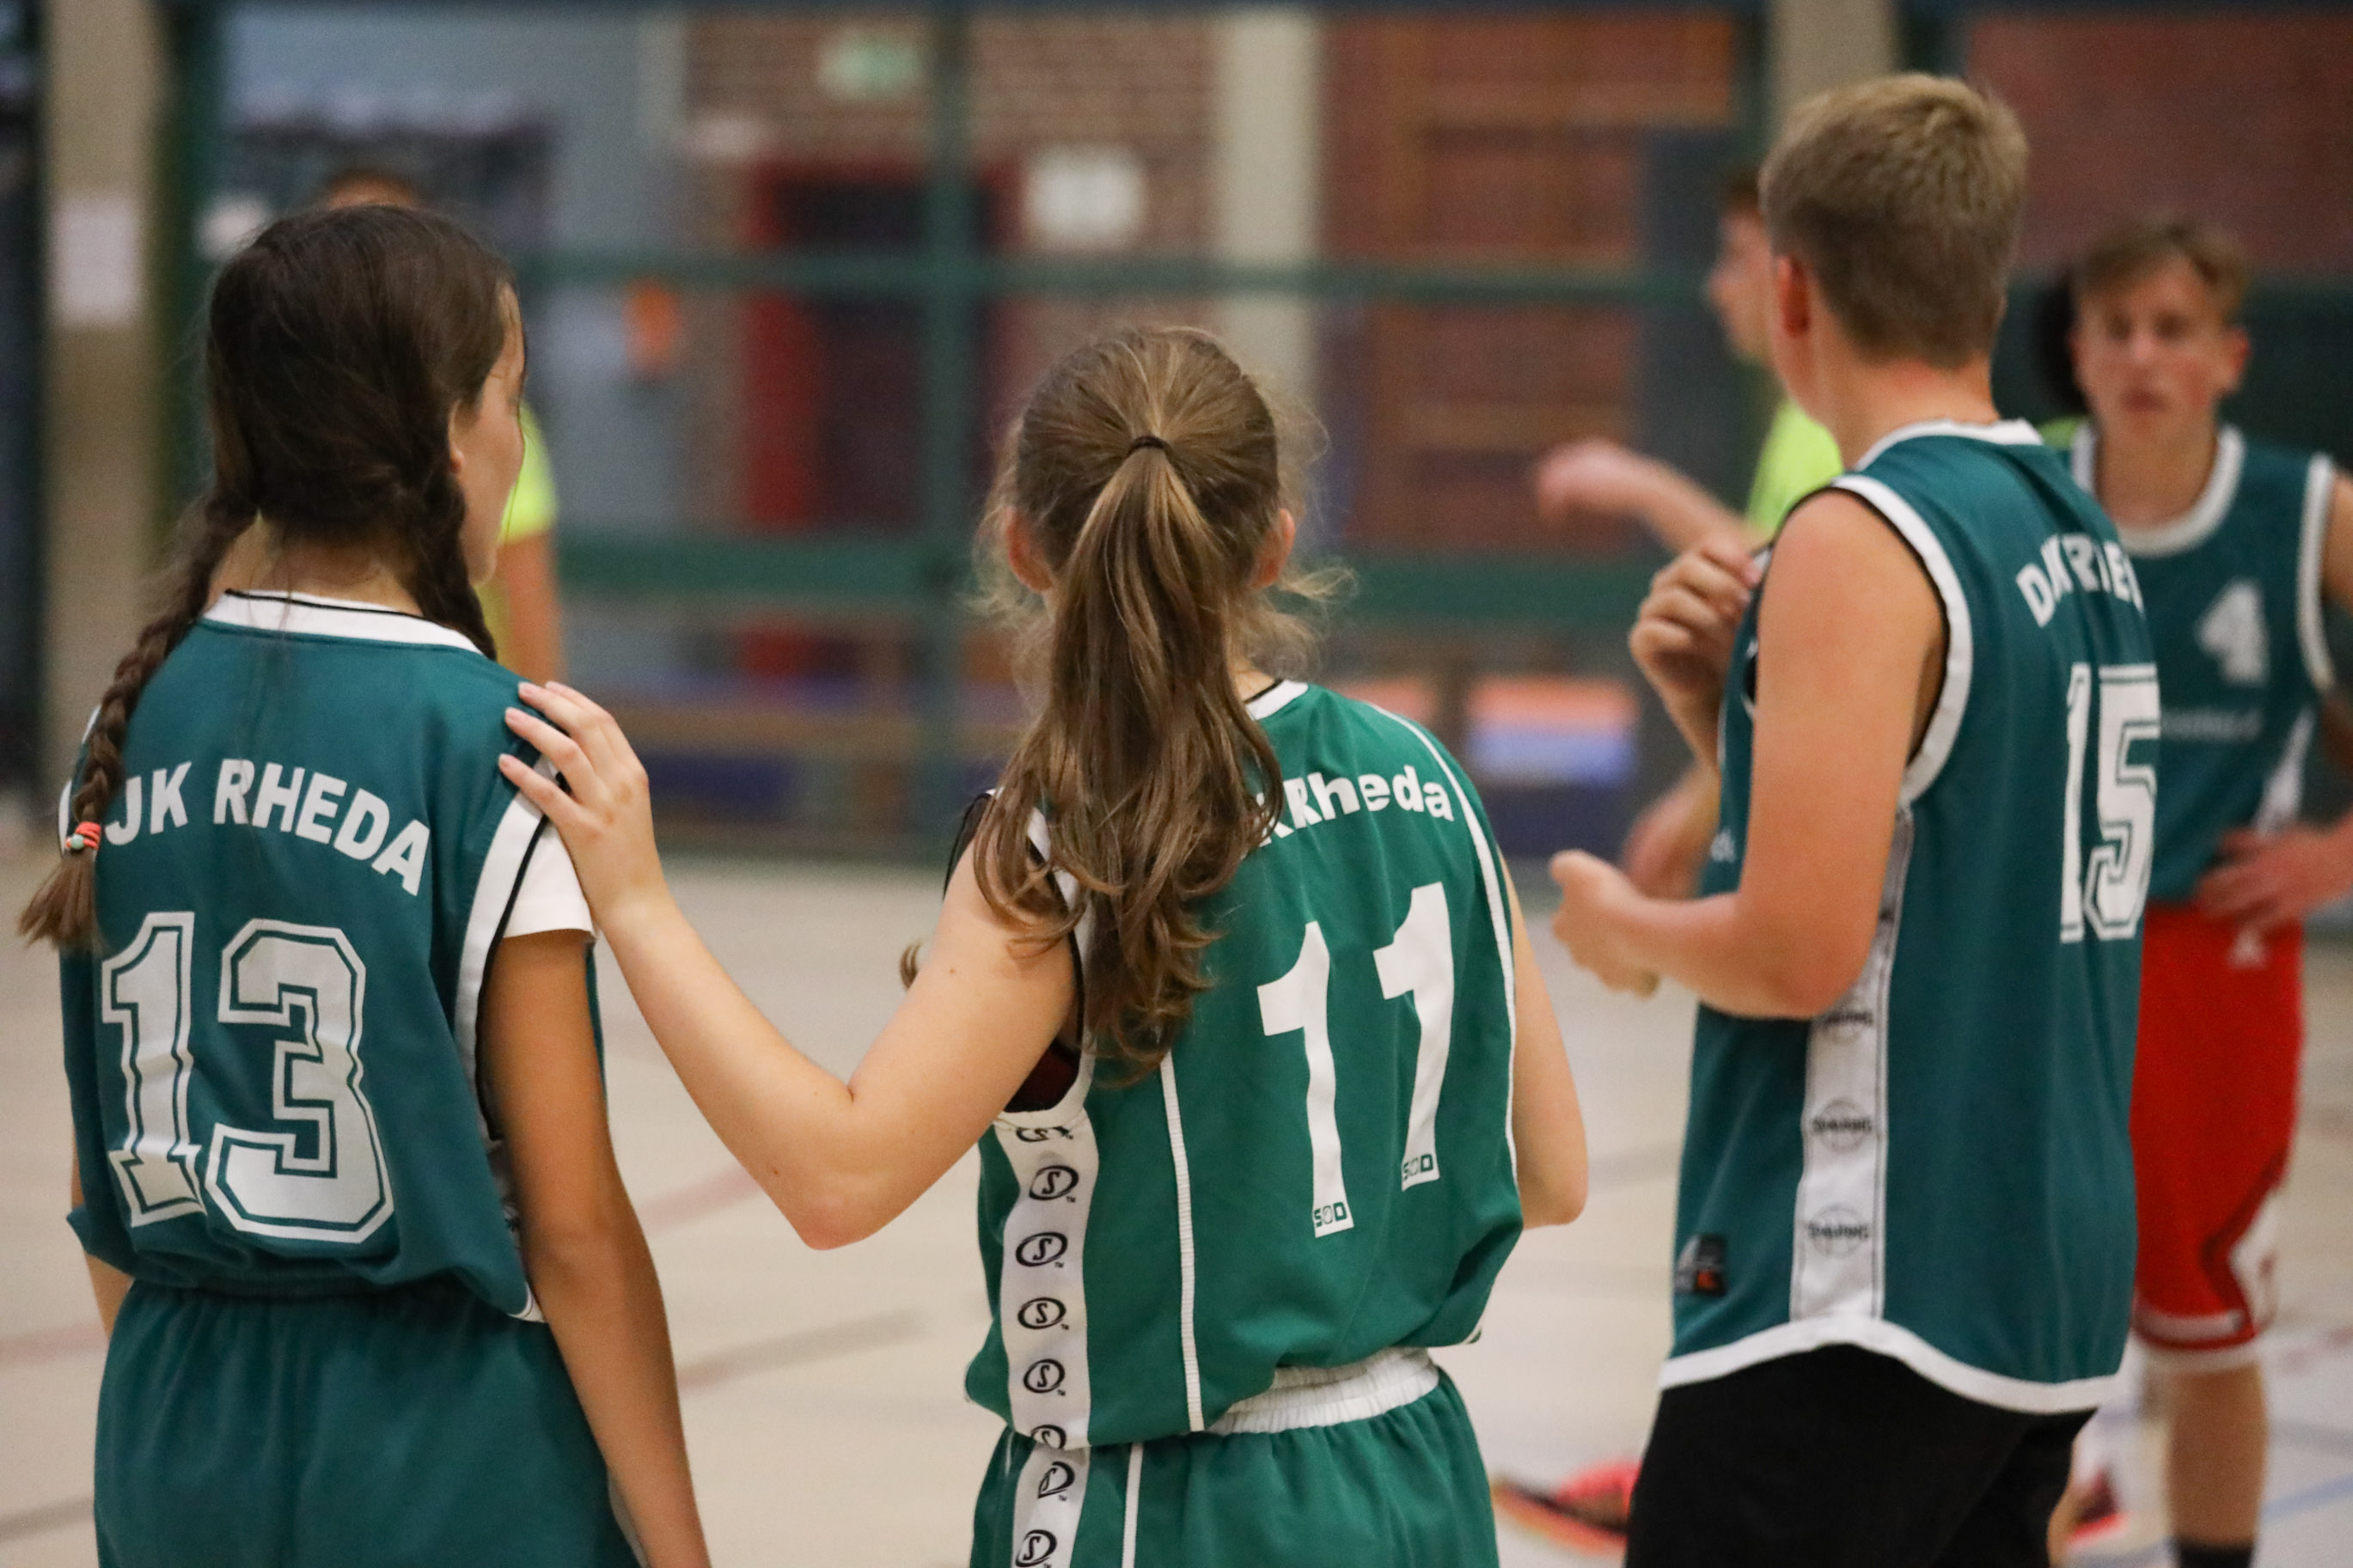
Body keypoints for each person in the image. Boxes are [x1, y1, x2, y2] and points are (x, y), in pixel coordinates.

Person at [499, 326, 1592, 1568]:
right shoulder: (1425, 775)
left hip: (1167, 1509)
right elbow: (1550, 1175)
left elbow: (837, 1180)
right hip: (1416, 1481)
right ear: (1275, 544)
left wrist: (637, 902)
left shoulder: (1075, 835)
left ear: (1020, 546)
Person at [21, 205, 706, 1568]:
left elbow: (105, 1174)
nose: (516, 439)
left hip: (170, 1423)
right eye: (510, 397)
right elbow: (570, 1228)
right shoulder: (500, 749)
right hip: (435, 1444)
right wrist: (682, 1549)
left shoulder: (127, 727)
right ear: (452, 434)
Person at [1549, 76, 2150, 1566]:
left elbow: (1796, 953)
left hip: (1861, 1287)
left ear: (1791, 288)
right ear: (1988, 287)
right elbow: (1938, 850)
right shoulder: (2079, 533)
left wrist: (1618, 926)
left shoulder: (1860, 532)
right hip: (2040, 1283)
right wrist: (1727, 721)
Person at [2047, 215, 2353, 1568]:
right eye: (2114, 330)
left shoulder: (2302, 511)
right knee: (2021, 1340)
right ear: (2075, 354)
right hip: (2040, 962)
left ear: (2228, 357)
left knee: (2205, 1328)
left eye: (2170, 329)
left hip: (2208, 970)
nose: (2140, 357)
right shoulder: (2023, 499)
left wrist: (2340, 854)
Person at [1535, 170, 1844, 907]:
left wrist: (1640, 485)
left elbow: (1786, 578)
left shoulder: (1840, 420)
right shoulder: (1801, 415)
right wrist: (1702, 795)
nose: (1717, 286)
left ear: (1795, 274)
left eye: (1736, 256)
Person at [319, 164, 567, 685]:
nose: (356, 269)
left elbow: (528, 594)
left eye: (382, 247)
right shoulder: (290, 414)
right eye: (336, 242)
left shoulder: (493, 422)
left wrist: (544, 720)